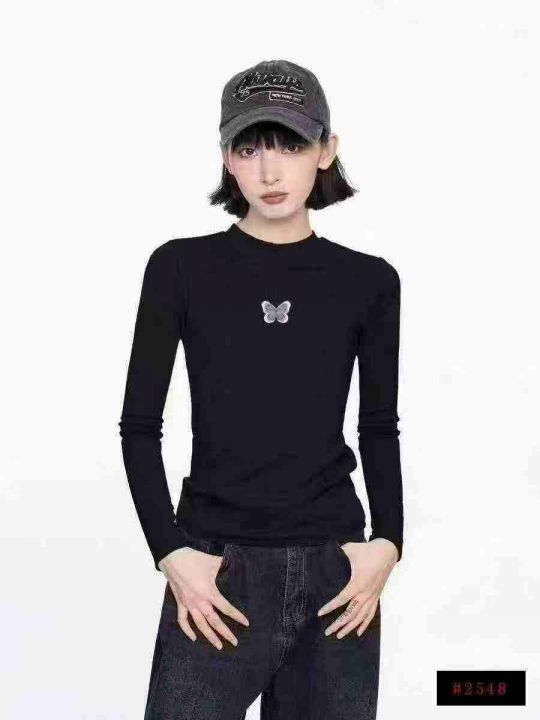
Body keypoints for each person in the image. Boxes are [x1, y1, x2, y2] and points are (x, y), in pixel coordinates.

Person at [118, 58, 404, 720]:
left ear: (326, 150)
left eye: (291, 145)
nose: (270, 171)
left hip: (336, 570)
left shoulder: (368, 281)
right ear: (226, 158)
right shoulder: (180, 269)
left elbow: (378, 426)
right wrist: (170, 552)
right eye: (249, 149)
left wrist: (388, 543)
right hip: (217, 569)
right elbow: (139, 427)